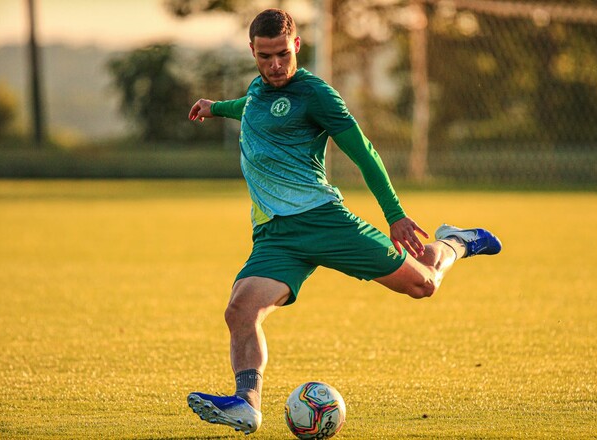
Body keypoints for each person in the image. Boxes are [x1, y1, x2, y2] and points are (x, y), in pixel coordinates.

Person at [186, 8, 501, 435]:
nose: (275, 65)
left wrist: (395, 215)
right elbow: (252, 107)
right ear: (252, 52)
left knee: (423, 283)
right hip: (275, 236)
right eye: (265, 57)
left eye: (283, 54)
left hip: (325, 222)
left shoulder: (317, 94)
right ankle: (246, 404)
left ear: (297, 45)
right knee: (241, 309)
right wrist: (216, 107)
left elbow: (364, 152)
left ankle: (457, 241)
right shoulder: (258, 90)